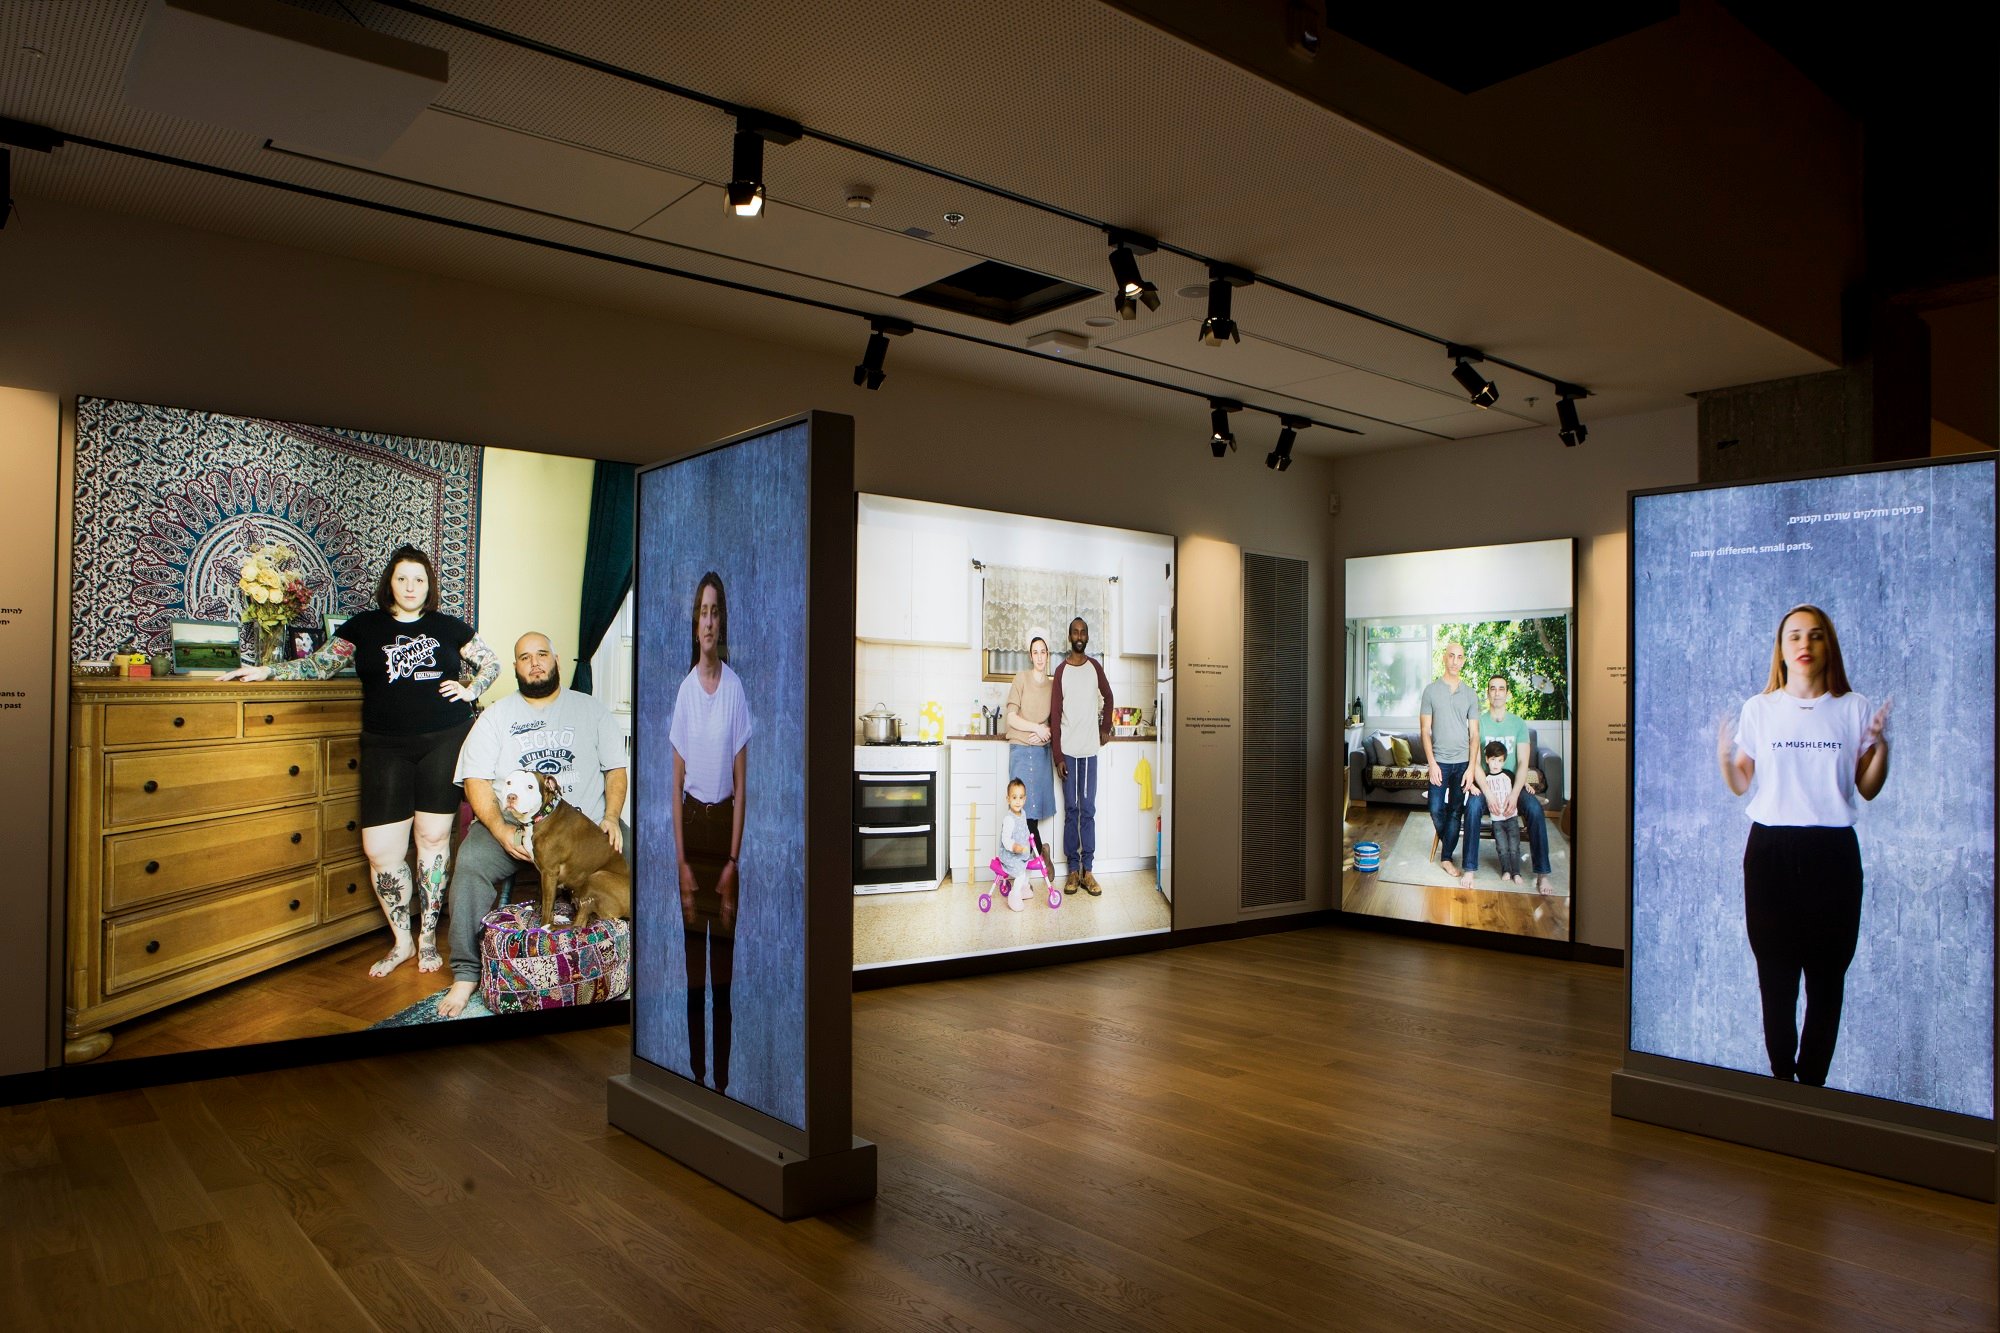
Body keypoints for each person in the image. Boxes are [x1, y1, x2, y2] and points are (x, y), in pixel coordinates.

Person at [222, 545, 499, 978]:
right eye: (403, 578)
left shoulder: (449, 626)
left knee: (432, 840)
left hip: (444, 740)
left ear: (430, 586)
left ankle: (427, 938)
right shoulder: (364, 626)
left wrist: (470, 690)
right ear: (390, 582)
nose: (411, 587)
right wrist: (267, 671)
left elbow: (490, 662)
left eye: (420, 580)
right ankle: (401, 941)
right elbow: (319, 665)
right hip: (384, 745)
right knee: (381, 850)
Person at [1716, 604, 1891, 1086]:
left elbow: (1868, 787)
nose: (1804, 644)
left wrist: (1882, 748)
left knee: (1827, 979)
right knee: (1775, 978)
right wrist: (1724, 759)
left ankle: (1811, 1089)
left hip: (1833, 855)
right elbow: (1741, 783)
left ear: (1827, 645)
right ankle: (1781, 1085)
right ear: (1782, 649)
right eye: (1794, 636)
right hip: (1770, 853)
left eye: (1815, 636)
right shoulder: (1760, 708)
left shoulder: (1853, 708)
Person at [435, 631, 629, 1018]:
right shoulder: (495, 717)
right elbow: (474, 780)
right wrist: (501, 830)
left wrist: (610, 817)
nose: (535, 662)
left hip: (583, 829)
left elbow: (616, 770)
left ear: (556, 661)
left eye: (542, 654)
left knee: (636, 855)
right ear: (516, 667)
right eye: (525, 657)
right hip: (513, 827)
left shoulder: (591, 710)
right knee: (470, 863)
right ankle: (467, 972)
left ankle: (633, 957)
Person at [671, 572, 752, 1092]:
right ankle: (697, 1076)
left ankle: (721, 1082)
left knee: (721, 977)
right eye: (702, 610)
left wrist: (732, 864)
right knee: (693, 976)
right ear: (694, 622)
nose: (707, 620)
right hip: (692, 834)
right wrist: (682, 863)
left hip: (723, 834)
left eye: (715, 611)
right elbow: (673, 786)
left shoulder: (736, 689)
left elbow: (742, 787)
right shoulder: (683, 691)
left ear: (722, 622)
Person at [1460, 673, 1557, 893]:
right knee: (1473, 808)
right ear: (1487, 693)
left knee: (1533, 808)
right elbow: (1474, 762)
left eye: (1501, 688)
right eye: (1492, 688)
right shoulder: (1479, 723)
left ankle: (1542, 874)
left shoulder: (1518, 724)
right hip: (1487, 786)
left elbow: (1523, 762)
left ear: (1508, 693)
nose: (1496, 693)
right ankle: (1469, 868)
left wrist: (1514, 794)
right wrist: (1489, 793)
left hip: (1513, 785)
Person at [1049, 616, 1113, 896]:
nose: (1078, 635)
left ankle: (1089, 871)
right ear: (1069, 637)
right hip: (1068, 754)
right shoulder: (1061, 671)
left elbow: (1109, 697)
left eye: (1083, 631)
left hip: (1089, 752)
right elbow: (1054, 715)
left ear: (1087, 637)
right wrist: (1057, 756)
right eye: (1074, 631)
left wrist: (1105, 728)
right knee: (1071, 811)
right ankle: (1072, 871)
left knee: (1088, 811)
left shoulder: (1095, 668)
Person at [1419, 641, 1480, 878]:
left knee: (1455, 810)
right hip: (1440, 762)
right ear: (1444, 658)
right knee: (1435, 808)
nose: (1455, 661)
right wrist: (1432, 763)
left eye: (1460, 657)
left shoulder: (1471, 694)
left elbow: (1474, 734)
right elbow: (1425, 730)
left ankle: (1446, 857)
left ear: (1464, 660)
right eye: (1451, 656)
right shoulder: (1431, 691)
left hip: (1462, 763)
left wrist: (1471, 768)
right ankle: (1450, 841)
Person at [1002, 630, 1057, 871]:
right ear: (1030, 655)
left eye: (1043, 652)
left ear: (1048, 654)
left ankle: (1030, 863)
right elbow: (1011, 718)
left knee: (1032, 808)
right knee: (1020, 807)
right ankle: (1039, 852)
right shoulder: (1020, 679)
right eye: (1035, 652)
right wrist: (1035, 727)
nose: (1040, 656)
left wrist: (1048, 731)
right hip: (1021, 750)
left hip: (1042, 752)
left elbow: (1058, 719)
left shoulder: (1054, 685)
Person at [1472, 741, 1522, 885]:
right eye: (1493, 759)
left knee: (1514, 846)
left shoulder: (1508, 775)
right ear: (1487, 759)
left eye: (1499, 760)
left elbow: (1519, 781)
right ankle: (1506, 870)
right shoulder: (1485, 779)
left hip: (1511, 817)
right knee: (1502, 847)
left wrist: (1526, 784)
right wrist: (1472, 789)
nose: (1496, 764)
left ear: (1504, 761)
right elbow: (1477, 788)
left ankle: (1516, 872)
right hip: (1497, 820)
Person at [994, 777, 1039, 911]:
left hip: (1022, 852)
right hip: (1010, 855)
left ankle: (1024, 888)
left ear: (1024, 799)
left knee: (1029, 867)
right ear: (1008, 799)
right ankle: (1014, 895)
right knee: (1020, 873)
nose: (1018, 801)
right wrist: (1015, 847)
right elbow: (1006, 839)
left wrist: (1028, 840)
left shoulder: (1023, 813)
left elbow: (1023, 829)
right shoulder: (1009, 819)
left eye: (1020, 797)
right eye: (1014, 797)